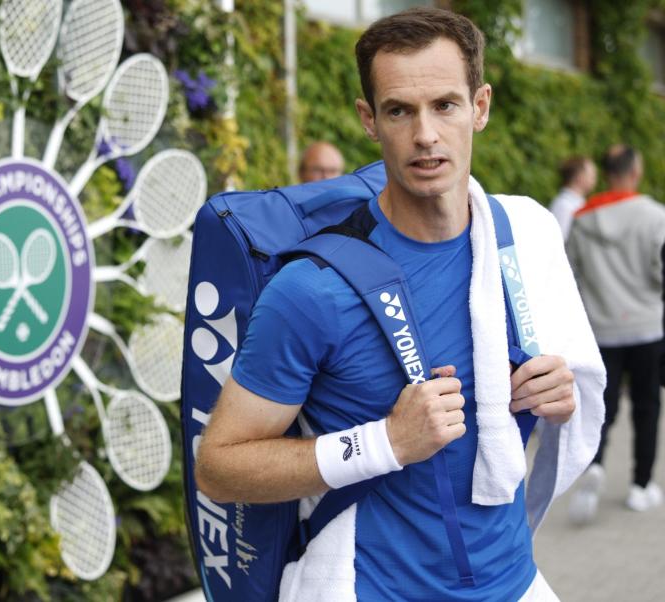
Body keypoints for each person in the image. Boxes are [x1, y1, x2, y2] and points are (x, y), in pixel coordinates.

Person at [195, 7, 605, 601]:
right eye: (399, 110)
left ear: (480, 107)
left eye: (444, 105)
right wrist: (383, 442)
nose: (425, 136)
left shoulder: (525, 234)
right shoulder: (312, 289)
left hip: (515, 582)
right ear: (369, 119)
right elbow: (220, 466)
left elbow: (569, 392)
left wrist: (561, 397)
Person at [565, 144, 665, 522]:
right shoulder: (655, 216)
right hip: (647, 328)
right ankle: (640, 487)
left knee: (601, 407)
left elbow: (571, 274)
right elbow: (661, 273)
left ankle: (596, 464)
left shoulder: (582, 219)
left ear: (606, 174)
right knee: (647, 407)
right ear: (635, 171)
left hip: (601, 329)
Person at [549, 156, 597, 240]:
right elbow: (561, 240)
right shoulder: (564, 205)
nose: (594, 180)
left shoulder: (576, 203)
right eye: (591, 176)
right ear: (579, 176)